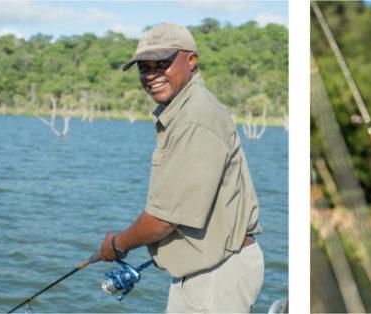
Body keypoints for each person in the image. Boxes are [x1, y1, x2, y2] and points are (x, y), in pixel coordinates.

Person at [97, 23, 263, 312]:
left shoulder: (194, 118)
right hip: (209, 271)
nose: (151, 75)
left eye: (162, 64)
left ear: (191, 61)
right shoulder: (188, 110)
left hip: (216, 276)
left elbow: (164, 219)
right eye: (143, 68)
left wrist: (117, 244)